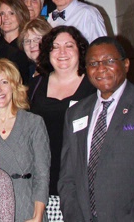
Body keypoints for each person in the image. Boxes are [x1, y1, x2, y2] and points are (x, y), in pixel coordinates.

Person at [59, 37, 134, 222]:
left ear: (126, 64)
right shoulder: (75, 113)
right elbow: (67, 178)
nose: (101, 68)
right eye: (93, 63)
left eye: (109, 61)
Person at [30, 26, 97, 221]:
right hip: (44, 184)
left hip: (82, 183)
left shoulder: (94, 86)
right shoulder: (34, 86)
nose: (62, 52)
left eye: (69, 46)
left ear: (80, 50)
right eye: (55, 47)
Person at [0, 58, 50, 222]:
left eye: (4, 82)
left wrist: (37, 216)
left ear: (14, 85)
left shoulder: (34, 122)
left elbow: (42, 174)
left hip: (28, 207)